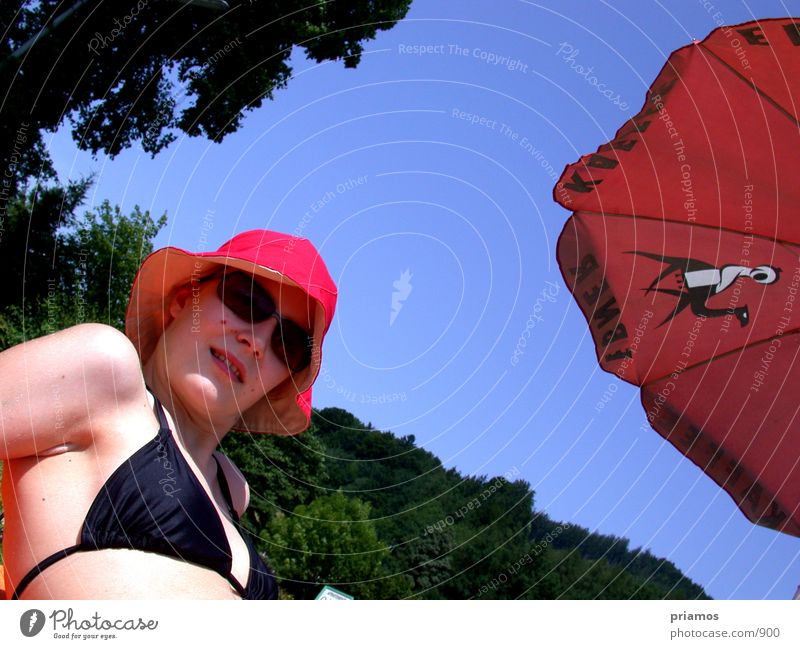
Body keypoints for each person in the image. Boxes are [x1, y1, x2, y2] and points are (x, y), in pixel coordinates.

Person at [0, 229, 337, 599]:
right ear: (182, 299)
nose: (256, 342)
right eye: (246, 300)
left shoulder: (233, 488)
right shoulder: (102, 374)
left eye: (287, 344)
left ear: (279, 382)